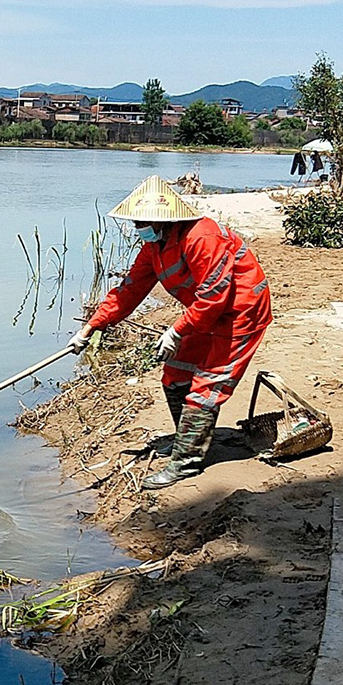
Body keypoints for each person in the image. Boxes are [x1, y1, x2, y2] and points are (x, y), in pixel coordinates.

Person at [67, 176, 272, 489]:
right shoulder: (155, 247)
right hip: (204, 314)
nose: (137, 227)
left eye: (142, 221)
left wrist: (176, 331)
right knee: (175, 375)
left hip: (240, 313)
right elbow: (129, 291)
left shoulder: (201, 237)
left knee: (207, 387)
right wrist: (91, 327)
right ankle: (188, 440)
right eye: (135, 221)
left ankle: (186, 463)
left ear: (164, 219)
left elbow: (214, 296)